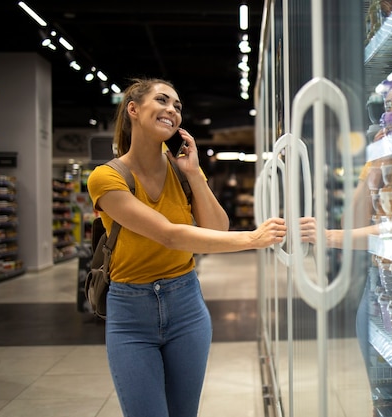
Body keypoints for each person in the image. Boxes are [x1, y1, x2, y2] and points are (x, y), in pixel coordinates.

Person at [86, 77, 288, 417]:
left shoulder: (181, 173)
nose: (171, 110)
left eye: (177, 106)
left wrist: (194, 173)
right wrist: (252, 239)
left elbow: (216, 227)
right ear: (133, 110)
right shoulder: (106, 178)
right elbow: (168, 234)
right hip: (130, 312)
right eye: (162, 101)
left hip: (186, 306)